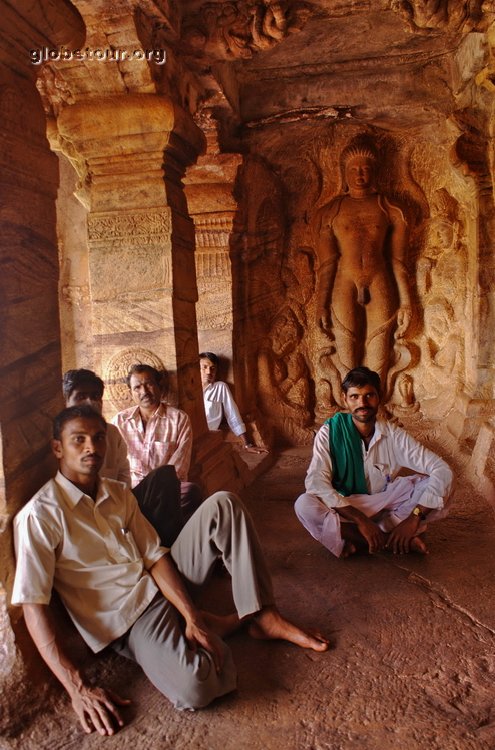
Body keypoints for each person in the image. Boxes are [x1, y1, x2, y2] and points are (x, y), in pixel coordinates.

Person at [12, 405, 329, 736]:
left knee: (224, 505)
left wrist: (190, 616)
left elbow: (154, 556)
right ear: (57, 448)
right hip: (130, 619)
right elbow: (33, 605)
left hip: (163, 583)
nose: (92, 448)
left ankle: (263, 615)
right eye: (79, 440)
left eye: (98, 438)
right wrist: (76, 687)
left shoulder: (117, 493)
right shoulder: (40, 516)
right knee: (198, 688)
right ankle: (219, 626)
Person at [295, 367, 453, 557]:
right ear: (345, 399)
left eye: (369, 395)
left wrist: (414, 518)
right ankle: (389, 540)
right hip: (346, 506)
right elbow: (316, 483)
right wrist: (362, 520)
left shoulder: (393, 435)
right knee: (304, 504)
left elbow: (441, 469)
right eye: (354, 397)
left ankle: (365, 537)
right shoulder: (330, 433)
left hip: (385, 504)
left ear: (380, 397)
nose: (362, 403)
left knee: (434, 483)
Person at [315, 138, 412, 385]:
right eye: (354, 169)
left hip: (380, 278)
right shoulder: (331, 211)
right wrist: (321, 304)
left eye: (366, 168)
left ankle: (375, 409)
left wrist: (407, 303)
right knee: (347, 350)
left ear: (375, 172)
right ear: (344, 173)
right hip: (344, 280)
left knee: (379, 349)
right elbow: (327, 263)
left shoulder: (389, 208)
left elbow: (398, 261)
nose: (360, 174)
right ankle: (351, 411)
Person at [63, 369, 183, 547]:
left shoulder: (111, 433)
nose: (91, 402)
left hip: (121, 503)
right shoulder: (60, 442)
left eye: (96, 396)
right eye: (81, 396)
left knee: (166, 477)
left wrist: (124, 515)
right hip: (83, 515)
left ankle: (163, 549)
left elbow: (123, 483)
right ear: (64, 402)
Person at [112, 364, 202, 522]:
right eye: (137, 388)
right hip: (131, 488)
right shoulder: (120, 421)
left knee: (191, 492)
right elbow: (112, 462)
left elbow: (179, 467)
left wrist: (158, 490)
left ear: (159, 385)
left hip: (164, 490)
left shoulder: (179, 419)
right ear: (131, 392)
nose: (144, 392)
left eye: (149, 384)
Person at [200, 352, 267, 454]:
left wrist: (247, 444)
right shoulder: (187, 392)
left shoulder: (220, 388)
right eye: (204, 367)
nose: (209, 372)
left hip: (207, 438)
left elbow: (233, 415)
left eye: (212, 368)